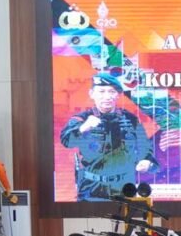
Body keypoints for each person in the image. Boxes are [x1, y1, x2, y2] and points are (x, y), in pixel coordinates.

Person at [60, 72, 156, 201]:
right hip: (91, 190)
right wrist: (83, 127)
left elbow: (145, 147)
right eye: (101, 91)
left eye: (111, 92)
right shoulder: (81, 119)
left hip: (124, 188)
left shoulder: (131, 119)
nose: (107, 97)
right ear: (92, 94)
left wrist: (146, 161)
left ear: (118, 95)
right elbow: (66, 141)